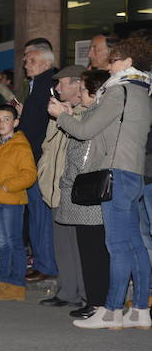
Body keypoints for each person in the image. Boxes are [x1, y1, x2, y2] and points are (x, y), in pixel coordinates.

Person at [49, 36, 152, 329]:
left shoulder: (120, 91)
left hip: (116, 173)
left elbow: (87, 130)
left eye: (115, 60)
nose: (109, 66)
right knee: (134, 245)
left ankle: (112, 311)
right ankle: (140, 310)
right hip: (133, 173)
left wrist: (61, 116)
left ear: (128, 62)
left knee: (117, 245)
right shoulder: (142, 90)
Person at [56, 70, 109, 320]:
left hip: (87, 192)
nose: (80, 93)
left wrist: (67, 180)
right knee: (89, 250)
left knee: (93, 251)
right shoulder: (91, 114)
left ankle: (98, 302)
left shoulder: (96, 116)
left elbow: (83, 154)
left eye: (83, 89)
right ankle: (94, 300)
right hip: (86, 192)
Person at [36, 65, 87, 308]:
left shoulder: (89, 110)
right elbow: (49, 145)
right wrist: (44, 172)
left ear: (78, 84)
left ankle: (86, 295)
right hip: (55, 187)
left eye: (61, 83)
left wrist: (67, 116)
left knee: (79, 245)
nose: (57, 88)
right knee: (63, 245)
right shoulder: (60, 111)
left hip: (74, 188)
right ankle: (67, 291)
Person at [0, 104, 37, 301]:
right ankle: (3, 281)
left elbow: (29, 174)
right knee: (3, 244)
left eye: (6, 119)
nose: (1, 123)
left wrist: (8, 186)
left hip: (12, 201)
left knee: (14, 243)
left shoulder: (21, 146)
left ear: (15, 122)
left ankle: (17, 284)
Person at [19, 43, 59, 282]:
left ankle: (46, 264)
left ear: (45, 63)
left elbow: (42, 126)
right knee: (36, 214)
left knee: (41, 215)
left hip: (39, 158)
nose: (26, 63)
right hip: (32, 157)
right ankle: (42, 261)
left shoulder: (48, 84)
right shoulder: (36, 84)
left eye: (31, 60)